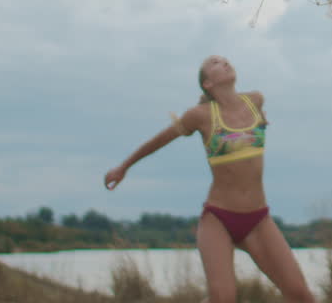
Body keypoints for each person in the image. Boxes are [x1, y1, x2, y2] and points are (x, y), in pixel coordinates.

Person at [105, 55, 316, 303]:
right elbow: (159, 140)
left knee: (301, 295)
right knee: (223, 299)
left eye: (226, 60)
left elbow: (258, 125)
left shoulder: (255, 101)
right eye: (215, 63)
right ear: (207, 84)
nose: (224, 62)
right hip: (219, 219)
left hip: (258, 219)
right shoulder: (200, 115)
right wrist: (124, 167)